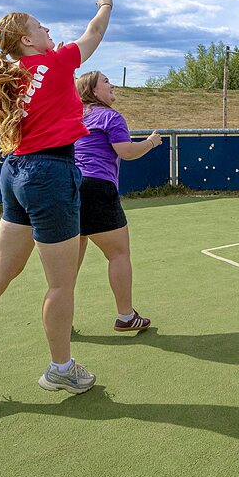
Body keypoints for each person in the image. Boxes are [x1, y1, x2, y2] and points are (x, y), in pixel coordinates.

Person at [0, 0, 113, 395]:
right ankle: (61, 368)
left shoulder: (13, 75)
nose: (49, 31)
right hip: (50, 174)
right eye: (41, 27)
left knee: (1, 269)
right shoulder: (58, 61)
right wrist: (105, 5)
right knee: (61, 285)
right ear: (27, 40)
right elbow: (95, 33)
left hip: (15, 172)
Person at [73, 70, 164, 332]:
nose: (111, 85)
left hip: (70, 187)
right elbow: (126, 152)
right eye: (106, 81)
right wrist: (150, 142)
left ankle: (60, 320)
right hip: (97, 187)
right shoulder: (111, 117)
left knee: (68, 266)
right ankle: (126, 316)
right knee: (119, 254)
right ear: (92, 91)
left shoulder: (74, 116)